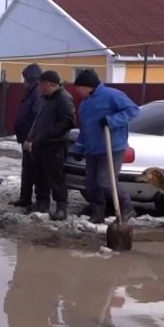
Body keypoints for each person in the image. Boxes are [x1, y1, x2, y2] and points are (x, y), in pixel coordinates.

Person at [71, 68, 140, 224]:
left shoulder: (112, 95)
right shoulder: (85, 104)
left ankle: (126, 206)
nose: (77, 91)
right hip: (92, 148)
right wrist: (79, 147)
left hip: (112, 146)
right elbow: (85, 128)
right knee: (91, 184)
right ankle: (98, 211)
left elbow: (133, 110)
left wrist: (111, 120)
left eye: (79, 87)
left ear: (88, 86)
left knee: (105, 181)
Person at [23, 70, 76, 220]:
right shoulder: (46, 98)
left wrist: (49, 134)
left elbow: (67, 121)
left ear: (47, 84)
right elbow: (39, 120)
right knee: (41, 176)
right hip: (40, 144)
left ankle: (61, 208)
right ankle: (42, 203)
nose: (39, 88)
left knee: (55, 177)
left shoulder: (63, 99)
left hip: (55, 144)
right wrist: (31, 137)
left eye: (40, 85)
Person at [10, 63, 43, 208]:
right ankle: (25, 198)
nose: (24, 83)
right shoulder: (31, 92)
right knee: (27, 170)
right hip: (26, 138)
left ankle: (39, 201)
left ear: (32, 79)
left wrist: (31, 137)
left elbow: (37, 117)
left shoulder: (37, 94)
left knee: (35, 170)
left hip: (32, 139)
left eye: (25, 79)